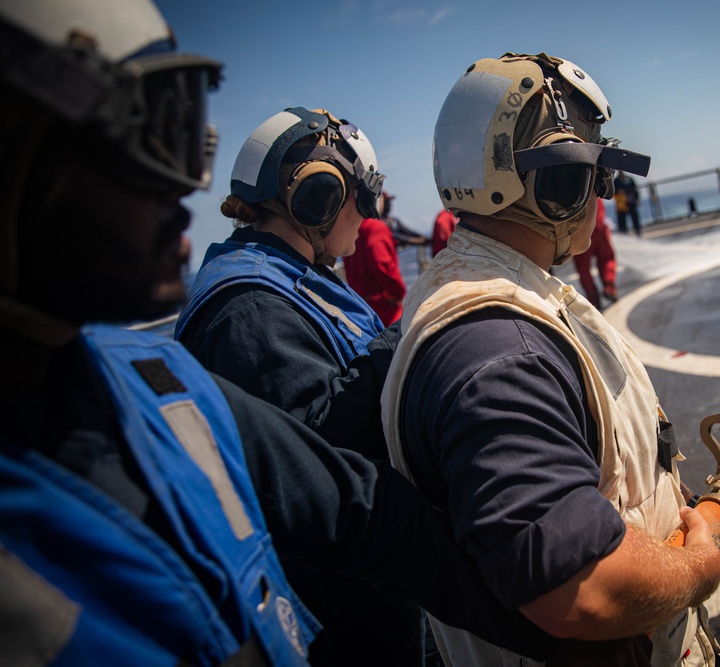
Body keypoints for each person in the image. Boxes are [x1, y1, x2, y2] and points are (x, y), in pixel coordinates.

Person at [0, 4, 560, 664]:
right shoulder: (248, 309)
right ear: (317, 198)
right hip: (356, 631)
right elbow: (333, 448)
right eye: (144, 140)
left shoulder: (150, 366)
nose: (182, 192)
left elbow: (357, 506)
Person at [381, 52, 720, 666]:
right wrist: (699, 564)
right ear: (558, 185)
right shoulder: (498, 352)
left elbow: (585, 494)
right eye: (593, 172)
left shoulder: (497, 293)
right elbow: (581, 589)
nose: (603, 191)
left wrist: (699, 518)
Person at [173, 107, 421, 662]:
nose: (369, 213)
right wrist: (406, 338)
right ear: (319, 198)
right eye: (363, 195)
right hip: (342, 619)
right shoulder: (250, 308)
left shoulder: (289, 275)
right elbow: (313, 457)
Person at [344, 197, 409, 326]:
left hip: (360, 308)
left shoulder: (351, 227)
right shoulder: (375, 228)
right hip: (384, 309)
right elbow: (382, 263)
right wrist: (398, 293)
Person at [571, 199, 617, 310]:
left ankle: (593, 299)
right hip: (599, 224)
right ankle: (609, 286)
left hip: (579, 230)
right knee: (606, 258)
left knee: (583, 268)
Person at [614, 169, 642, 235]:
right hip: (621, 204)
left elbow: (635, 188)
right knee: (621, 220)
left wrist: (637, 198)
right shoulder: (616, 181)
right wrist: (618, 192)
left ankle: (638, 232)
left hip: (631, 201)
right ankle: (623, 233)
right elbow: (613, 192)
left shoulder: (629, 179)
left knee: (635, 217)